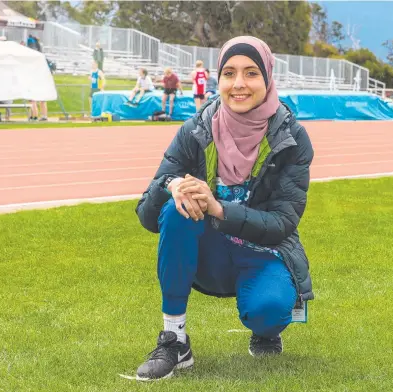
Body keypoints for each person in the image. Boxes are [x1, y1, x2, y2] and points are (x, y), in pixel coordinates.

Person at [134, 36, 314, 381]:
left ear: (268, 78)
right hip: (209, 251)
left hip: (264, 250)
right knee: (176, 208)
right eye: (229, 73)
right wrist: (170, 185)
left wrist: (218, 208)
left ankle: (265, 329)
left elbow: (282, 222)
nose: (239, 84)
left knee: (269, 310)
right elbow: (146, 214)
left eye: (250, 73)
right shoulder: (196, 129)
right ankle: (175, 340)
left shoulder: (291, 137)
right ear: (218, 79)